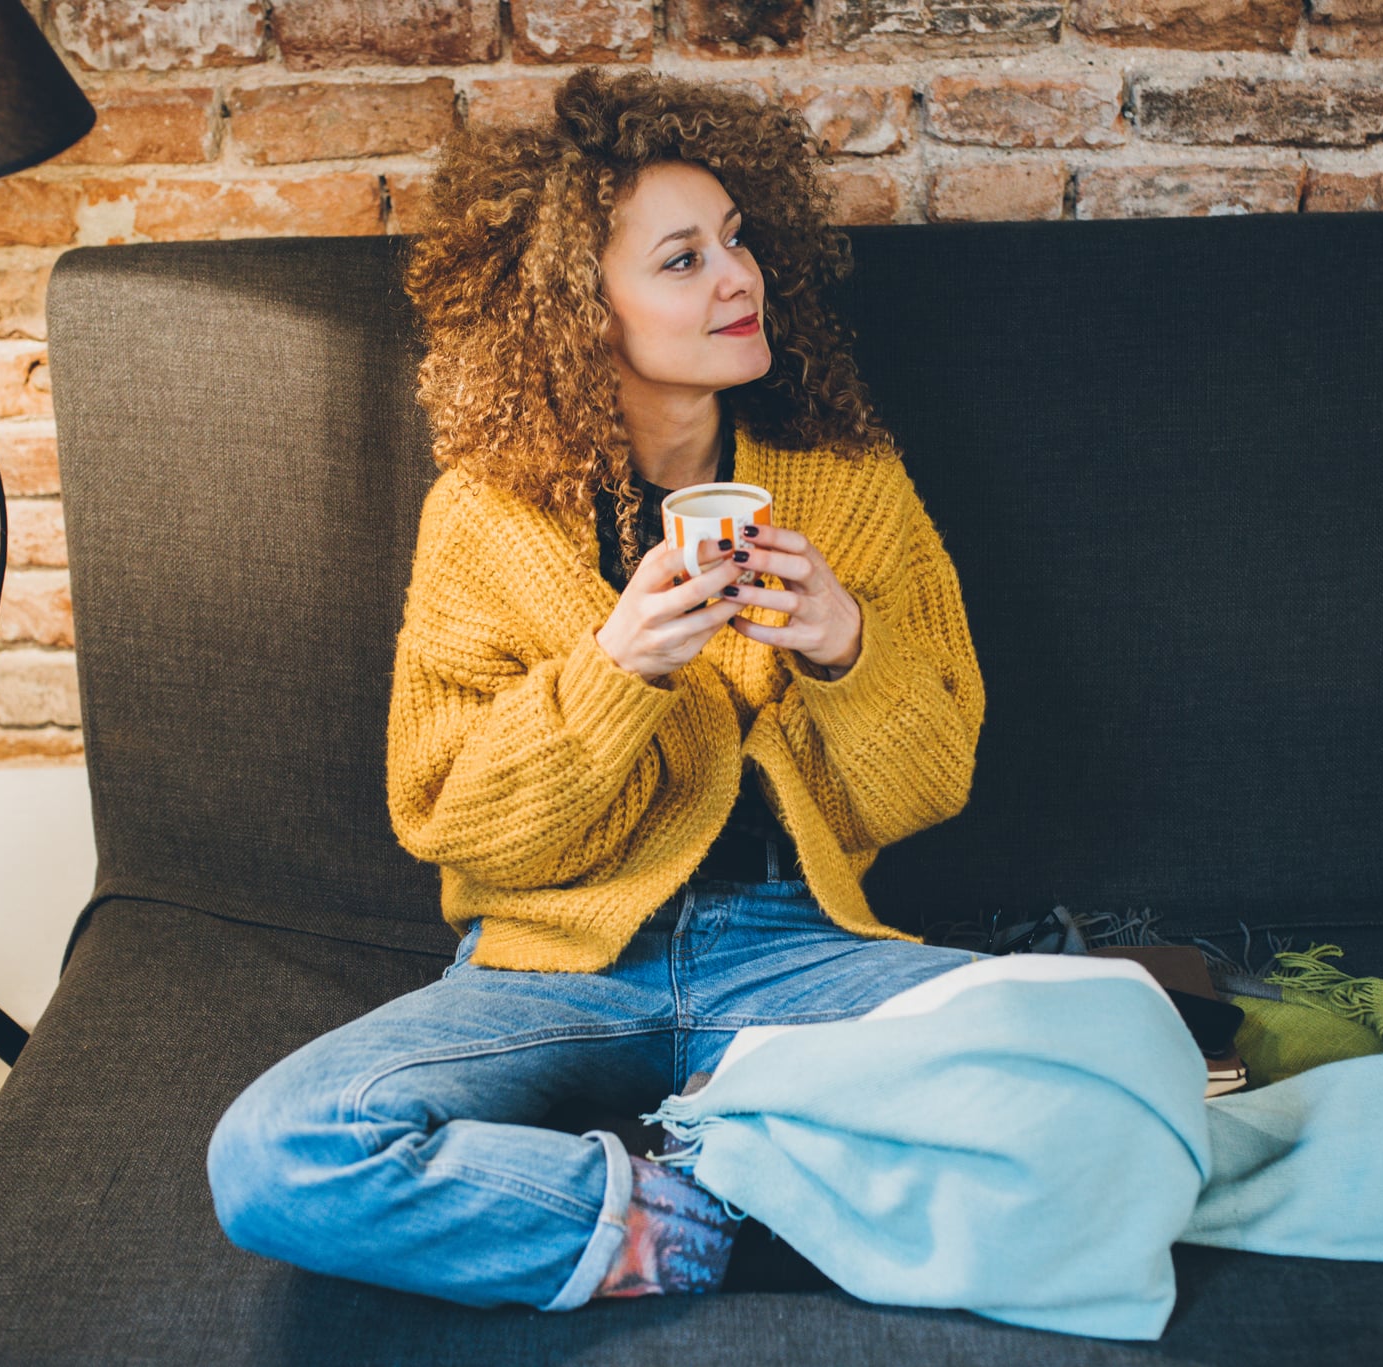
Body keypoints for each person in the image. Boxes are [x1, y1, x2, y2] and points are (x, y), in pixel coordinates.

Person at [205, 65, 987, 1313]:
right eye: (682, 261)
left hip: (791, 948)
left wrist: (843, 644)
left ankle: (704, 1163)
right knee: (275, 1151)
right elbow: (451, 819)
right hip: (554, 962)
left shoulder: (848, 483)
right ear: (578, 309)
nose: (739, 278)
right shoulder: (483, 518)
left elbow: (930, 780)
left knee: (1116, 1062)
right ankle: (643, 1206)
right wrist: (616, 670)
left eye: (736, 241)